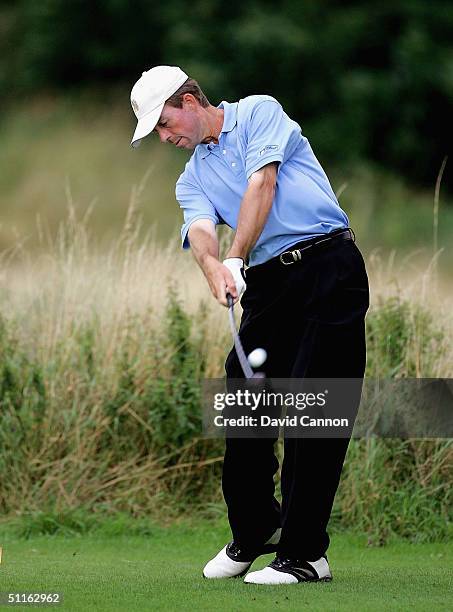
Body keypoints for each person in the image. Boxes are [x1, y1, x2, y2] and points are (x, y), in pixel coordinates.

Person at [130, 65, 370, 585]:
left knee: (313, 408)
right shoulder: (190, 176)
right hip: (270, 287)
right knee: (243, 401)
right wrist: (216, 268)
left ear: (190, 100)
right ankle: (257, 527)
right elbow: (199, 229)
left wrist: (236, 255)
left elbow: (263, 181)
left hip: (326, 265)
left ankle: (306, 553)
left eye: (165, 124)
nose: (165, 137)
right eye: (157, 133)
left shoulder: (258, 111)